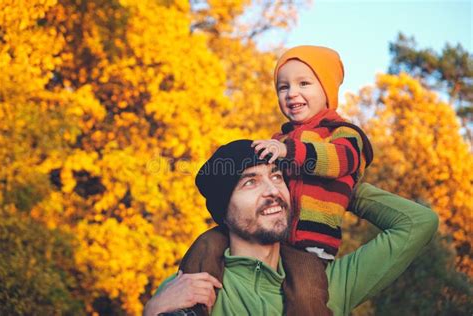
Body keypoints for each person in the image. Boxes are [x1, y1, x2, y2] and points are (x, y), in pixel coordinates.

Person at [144, 139, 439, 316]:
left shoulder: (325, 286)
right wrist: (152, 311)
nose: (273, 190)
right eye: (250, 182)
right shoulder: (190, 286)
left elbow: (417, 222)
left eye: (276, 176)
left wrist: (335, 184)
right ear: (223, 210)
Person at [252, 45, 373, 261]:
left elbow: (341, 160)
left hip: (311, 245)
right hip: (269, 237)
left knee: (306, 292)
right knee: (210, 244)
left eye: (304, 83)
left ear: (326, 90)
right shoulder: (279, 139)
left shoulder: (341, 132)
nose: (291, 93)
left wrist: (288, 151)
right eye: (283, 87)